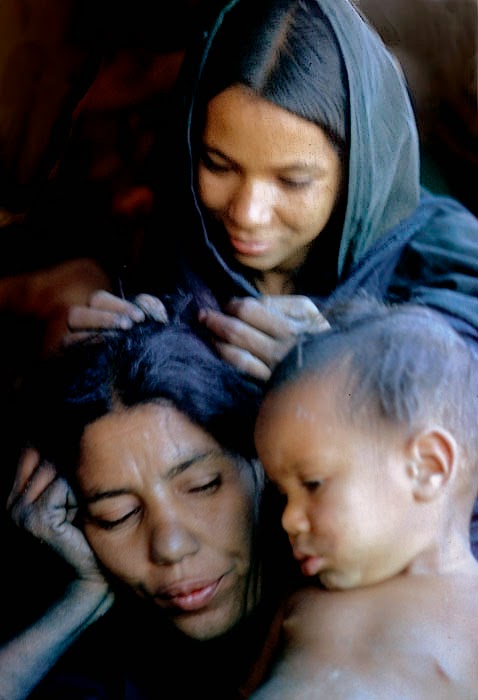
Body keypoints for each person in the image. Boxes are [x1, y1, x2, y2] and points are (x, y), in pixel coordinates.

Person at [68, 0, 478, 384]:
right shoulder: (179, 234)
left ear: (357, 173)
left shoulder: (449, 263)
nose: (248, 213)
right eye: (218, 165)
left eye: (293, 181)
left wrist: (339, 373)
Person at [1, 295, 294, 700]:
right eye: (116, 516)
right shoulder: (102, 666)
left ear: (263, 463)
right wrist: (82, 600)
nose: (169, 547)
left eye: (202, 486)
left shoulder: (341, 604)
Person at [248, 298, 478, 699]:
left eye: (313, 484)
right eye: (283, 495)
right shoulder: (300, 605)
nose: (288, 519)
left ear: (426, 467)